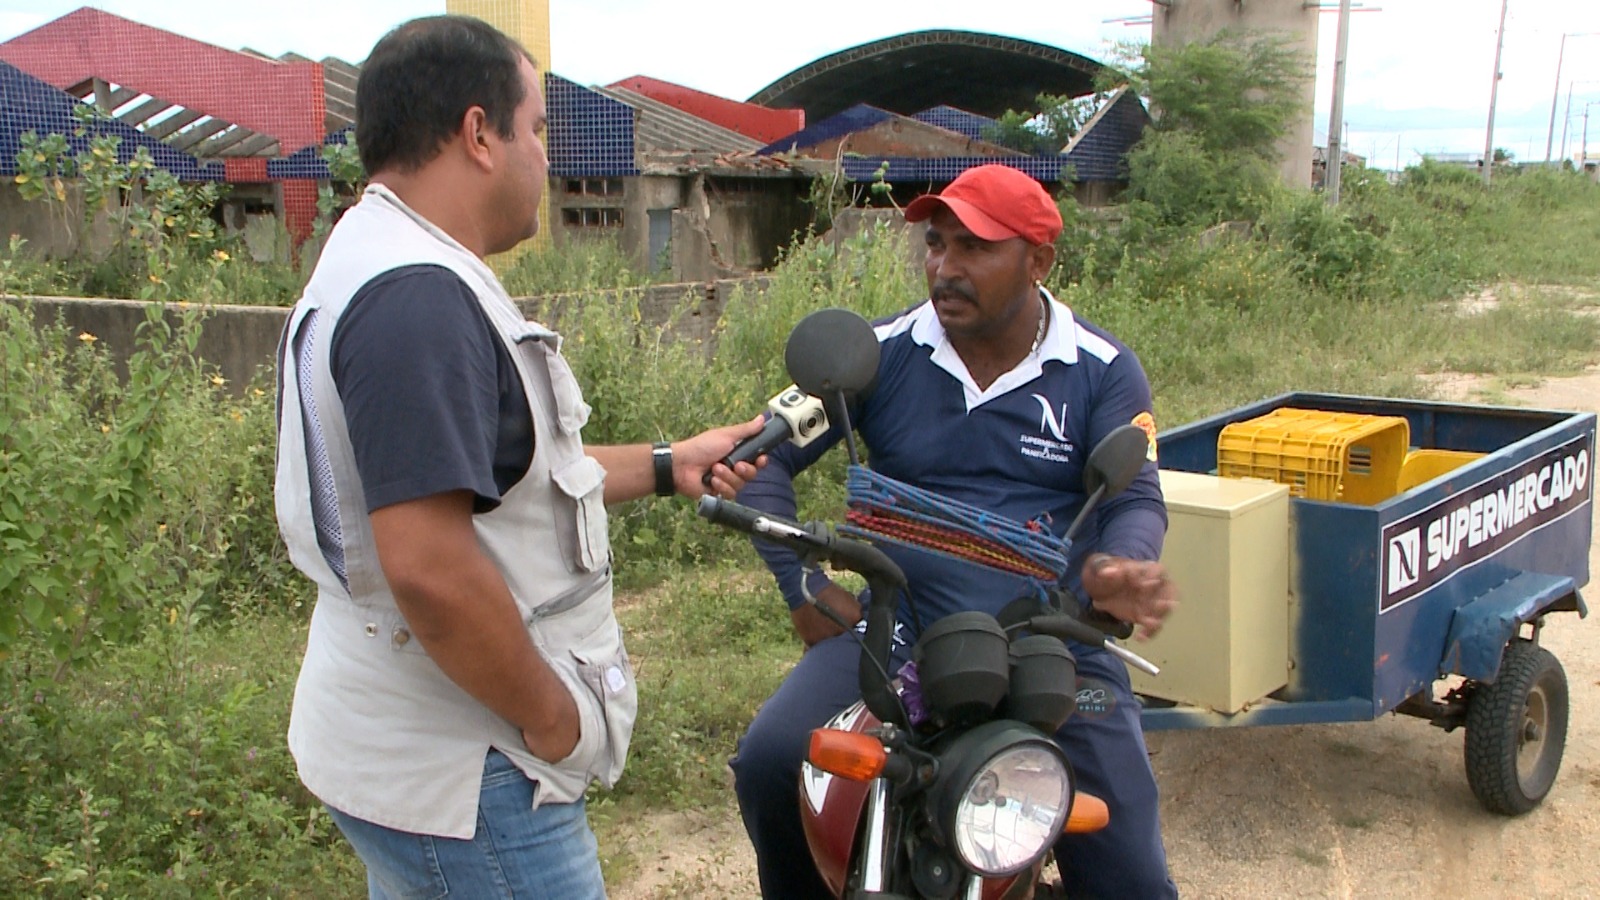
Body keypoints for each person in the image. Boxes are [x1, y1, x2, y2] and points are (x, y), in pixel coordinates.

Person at [273, 16, 765, 899]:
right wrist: (551, 721)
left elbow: (511, 479)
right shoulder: (418, 301)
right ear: (478, 134)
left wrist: (666, 462)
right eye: (536, 129)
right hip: (474, 768)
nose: (544, 155)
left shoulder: (381, 256)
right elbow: (428, 566)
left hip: (405, 748)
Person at [730, 163, 1180, 898]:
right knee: (774, 762)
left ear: (1038, 260)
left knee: (1124, 853)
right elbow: (757, 457)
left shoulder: (1101, 371)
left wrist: (1119, 567)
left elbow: (1135, 499)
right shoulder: (878, 354)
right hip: (896, 631)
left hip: (1047, 638)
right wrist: (801, 584)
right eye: (936, 245)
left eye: (974, 248)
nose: (945, 268)